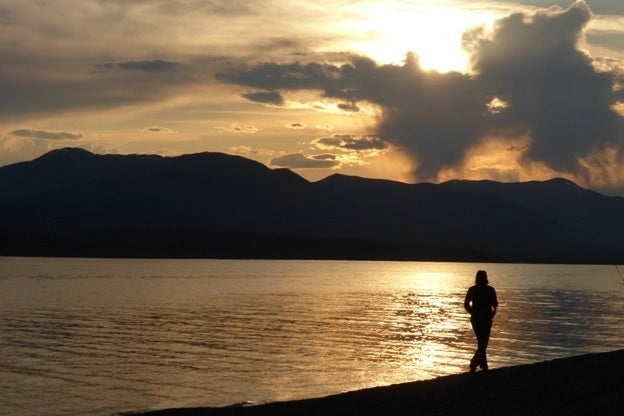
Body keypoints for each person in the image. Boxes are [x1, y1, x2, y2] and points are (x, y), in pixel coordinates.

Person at [464, 270, 498, 372]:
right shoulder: (490, 290)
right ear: (486, 278)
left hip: (476, 319)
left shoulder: (472, 289)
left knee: (481, 342)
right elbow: (495, 304)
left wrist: (472, 312)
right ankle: (474, 362)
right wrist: (492, 313)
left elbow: (466, 304)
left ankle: (484, 365)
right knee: (483, 343)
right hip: (486, 318)